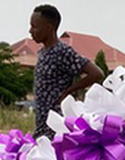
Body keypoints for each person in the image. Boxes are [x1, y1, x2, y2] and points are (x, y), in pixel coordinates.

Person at [28, 5, 104, 139]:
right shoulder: (42, 52)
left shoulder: (62, 51)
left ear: (49, 28)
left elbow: (96, 73)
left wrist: (69, 91)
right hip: (42, 125)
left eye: (34, 26)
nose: (30, 31)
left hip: (56, 128)